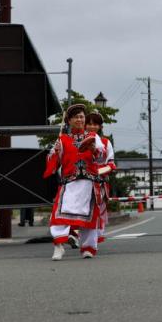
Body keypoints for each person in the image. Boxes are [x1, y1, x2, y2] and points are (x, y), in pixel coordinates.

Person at [43, 103, 101, 260]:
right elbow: (53, 163)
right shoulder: (62, 140)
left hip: (89, 183)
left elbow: (100, 156)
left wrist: (94, 149)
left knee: (89, 217)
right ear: (68, 121)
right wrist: (55, 152)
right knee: (59, 215)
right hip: (69, 183)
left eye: (82, 116)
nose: (79, 119)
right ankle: (58, 246)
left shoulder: (93, 137)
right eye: (76, 117)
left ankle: (88, 247)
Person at [87, 111, 115, 245]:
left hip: (100, 181)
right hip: (82, 181)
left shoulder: (105, 142)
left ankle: (96, 237)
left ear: (100, 126)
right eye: (89, 124)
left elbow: (111, 163)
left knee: (99, 208)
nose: (92, 127)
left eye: (95, 124)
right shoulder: (78, 140)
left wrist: (98, 172)